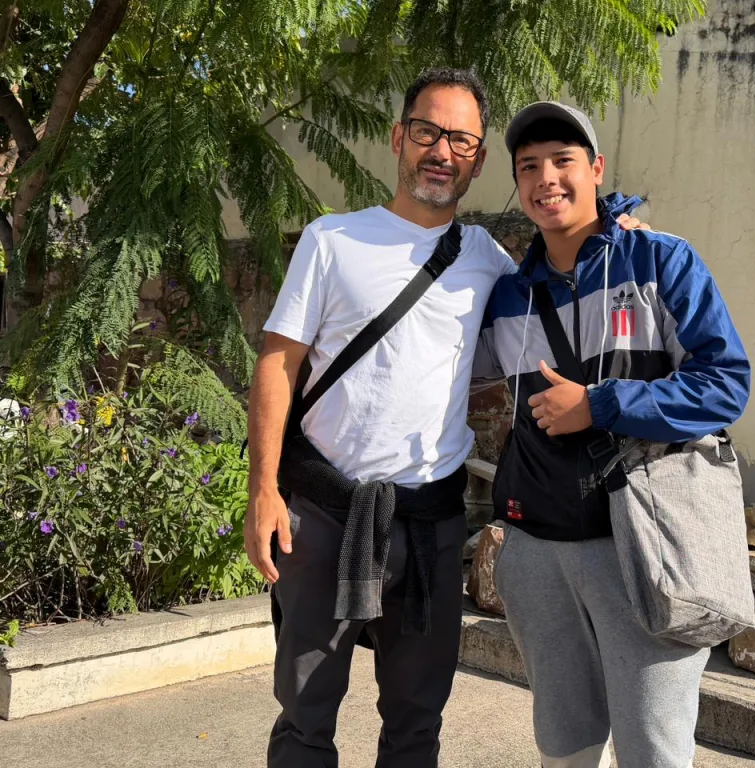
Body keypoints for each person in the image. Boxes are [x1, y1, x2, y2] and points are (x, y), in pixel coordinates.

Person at [245, 70, 645, 767]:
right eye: (428, 132)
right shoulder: (332, 240)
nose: (441, 151)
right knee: (305, 716)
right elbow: (278, 364)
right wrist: (262, 491)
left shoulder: (488, 260)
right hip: (327, 514)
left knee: (417, 721)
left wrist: (620, 233)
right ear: (399, 137)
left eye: (461, 140)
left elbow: (563, 281)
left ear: (478, 160)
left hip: (431, 521)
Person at [473, 102, 752, 768]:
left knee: (654, 748)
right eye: (529, 167)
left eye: (563, 161)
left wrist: (599, 405)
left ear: (596, 169)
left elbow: (725, 385)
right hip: (538, 551)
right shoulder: (509, 297)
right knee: (562, 739)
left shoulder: (659, 261)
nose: (546, 179)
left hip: (646, 548)